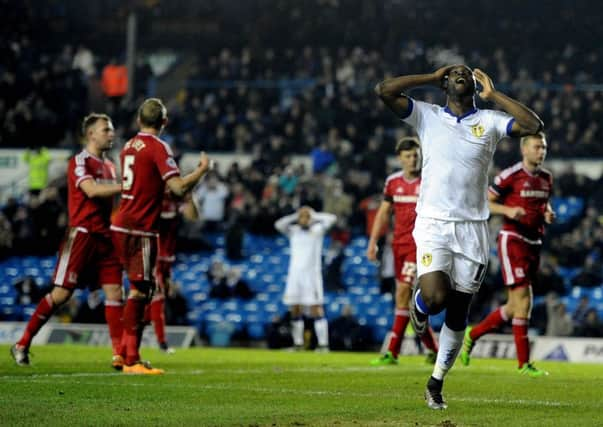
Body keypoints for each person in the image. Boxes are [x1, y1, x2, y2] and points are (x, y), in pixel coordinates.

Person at [376, 64, 543, 409]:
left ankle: (436, 382)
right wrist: (428, 78)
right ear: (445, 84)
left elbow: (532, 125)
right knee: (435, 296)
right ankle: (420, 312)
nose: (460, 74)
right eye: (453, 74)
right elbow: (385, 90)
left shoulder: (492, 121)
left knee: (458, 312)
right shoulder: (426, 115)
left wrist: (494, 95)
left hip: (473, 230)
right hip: (434, 223)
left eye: (465, 72)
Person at [11, 113, 124, 367]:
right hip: (82, 235)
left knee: (116, 291)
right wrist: (125, 187)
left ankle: (120, 354)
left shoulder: (111, 166)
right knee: (61, 295)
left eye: (112, 129)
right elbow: (91, 190)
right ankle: (22, 343)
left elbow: (115, 201)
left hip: (105, 237)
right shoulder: (79, 161)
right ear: (91, 134)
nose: (111, 133)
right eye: (106, 129)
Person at [111, 98, 211, 374]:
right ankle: (131, 358)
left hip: (121, 223)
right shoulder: (158, 147)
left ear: (138, 120)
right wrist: (201, 171)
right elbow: (178, 188)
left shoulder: (128, 146)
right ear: (164, 122)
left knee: (141, 289)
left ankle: (122, 353)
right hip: (140, 227)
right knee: (142, 291)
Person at [460, 133, 555, 376]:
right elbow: (486, 203)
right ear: (525, 150)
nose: (541, 151)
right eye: (537, 147)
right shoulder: (510, 175)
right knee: (524, 301)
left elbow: (544, 203)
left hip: (534, 241)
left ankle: (473, 334)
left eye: (543, 147)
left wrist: (547, 213)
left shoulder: (546, 178)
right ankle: (524, 365)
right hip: (512, 240)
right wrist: (508, 210)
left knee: (515, 306)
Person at [367, 137, 439, 366]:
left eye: (415, 155)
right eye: (408, 156)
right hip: (398, 246)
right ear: (400, 159)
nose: (412, 160)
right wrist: (373, 242)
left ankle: (392, 351)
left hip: (420, 247)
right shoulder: (392, 182)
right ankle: (434, 349)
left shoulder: (428, 181)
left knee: (402, 295)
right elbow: (383, 213)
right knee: (408, 302)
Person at [275, 207, 337, 351]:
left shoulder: (317, 230)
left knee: (316, 308)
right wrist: (294, 216)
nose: (303, 219)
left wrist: (314, 215)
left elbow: (332, 218)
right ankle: (298, 344)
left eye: (306, 217)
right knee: (295, 308)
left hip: (311, 276)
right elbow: (278, 224)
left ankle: (323, 345)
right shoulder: (293, 231)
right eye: (301, 217)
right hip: (295, 275)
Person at [146, 188, 181, 354]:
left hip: (165, 257)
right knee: (157, 300)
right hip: (152, 257)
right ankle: (162, 343)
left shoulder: (177, 199)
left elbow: (192, 214)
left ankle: (129, 337)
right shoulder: (154, 199)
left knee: (152, 303)